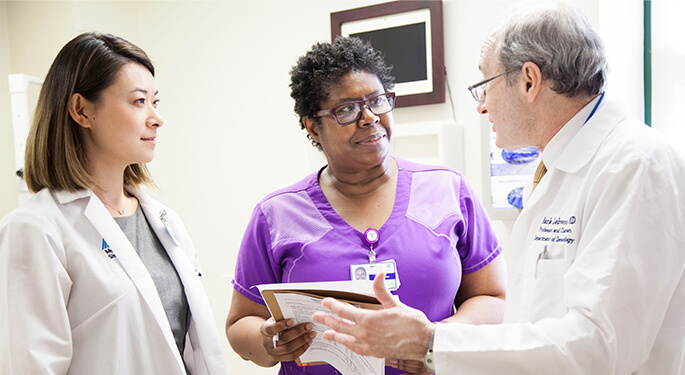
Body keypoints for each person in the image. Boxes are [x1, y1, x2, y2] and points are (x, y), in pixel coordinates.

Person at [312, 2, 685, 374]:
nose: (481, 106)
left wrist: (432, 343)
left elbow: (601, 345)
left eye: (485, 85)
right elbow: (533, 329)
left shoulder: (635, 165)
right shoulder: (556, 170)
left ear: (528, 81)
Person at [225, 36, 506, 375]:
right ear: (312, 126)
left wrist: (436, 342)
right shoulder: (277, 215)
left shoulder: (446, 190)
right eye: (347, 109)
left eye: (378, 101)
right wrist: (267, 341)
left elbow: (491, 298)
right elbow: (240, 323)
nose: (370, 117)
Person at [0, 32, 227, 374]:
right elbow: (30, 365)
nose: (156, 118)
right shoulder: (36, 230)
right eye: (139, 101)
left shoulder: (164, 221)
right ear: (82, 110)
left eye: (155, 102)